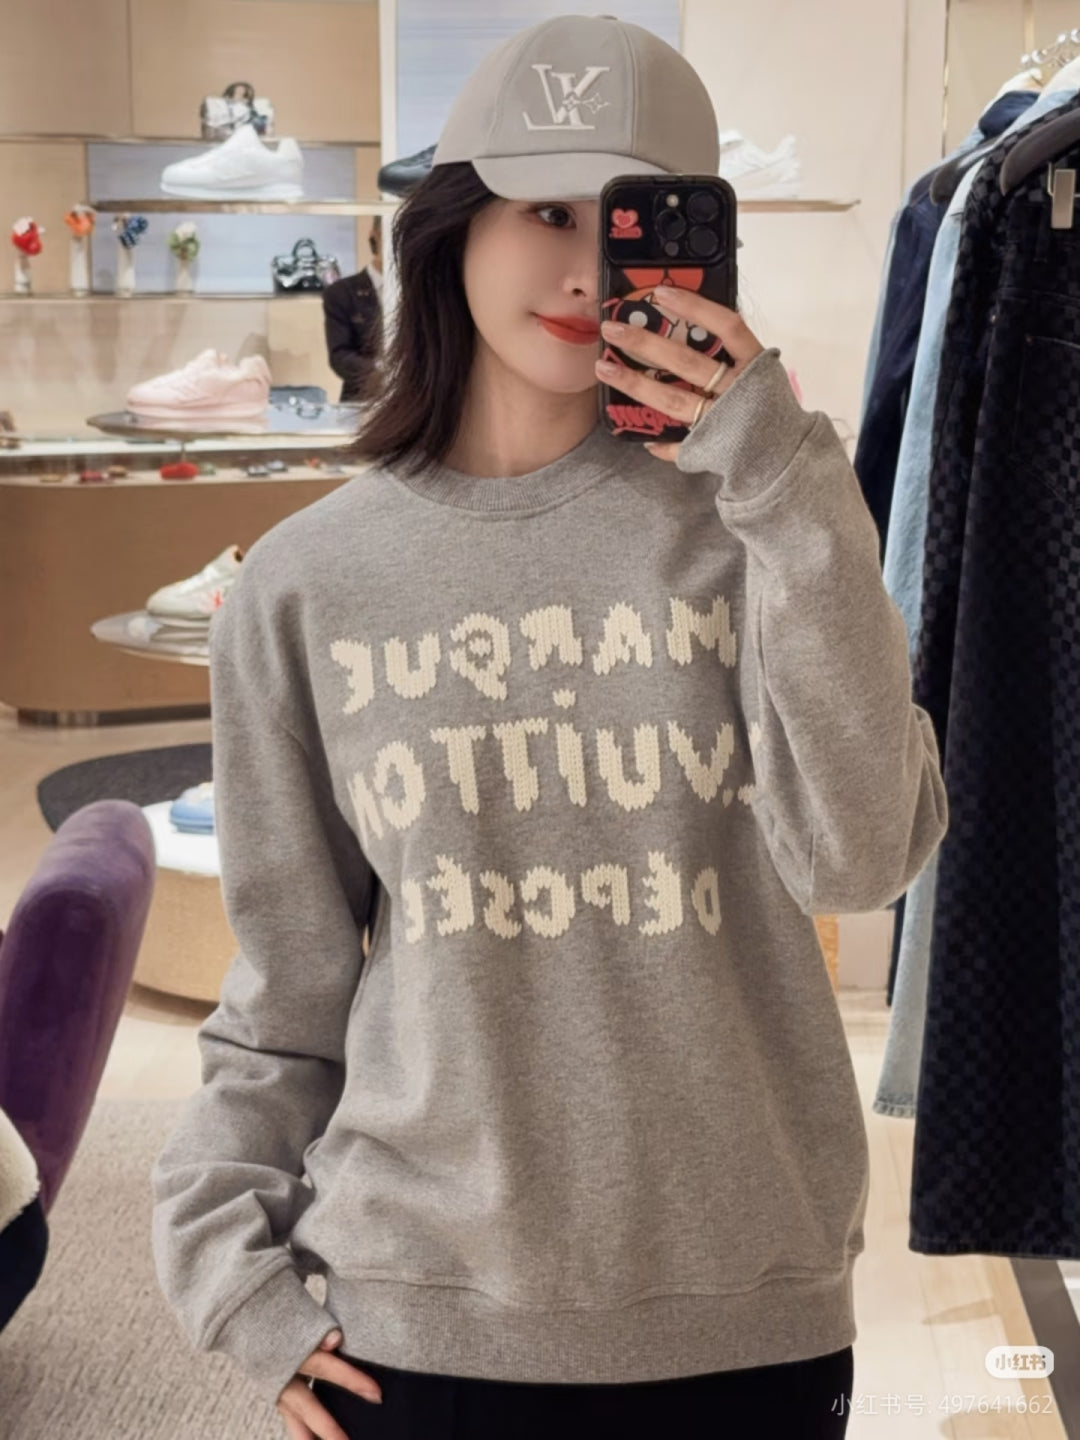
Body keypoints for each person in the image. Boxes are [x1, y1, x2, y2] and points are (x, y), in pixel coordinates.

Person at [150, 15, 949, 1440]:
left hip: (741, 1315)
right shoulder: (306, 583)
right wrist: (230, 1276)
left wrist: (786, 477)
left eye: (634, 222)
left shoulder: (764, 525)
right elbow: (287, 992)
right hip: (415, 1318)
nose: (588, 271)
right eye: (546, 213)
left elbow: (860, 860)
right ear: (452, 225)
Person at [321, 215, 383, 403]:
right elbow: (340, 356)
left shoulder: (423, 290)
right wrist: (384, 373)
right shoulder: (341, 293)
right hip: (362, 400)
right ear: (375, 237)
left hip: (419, 404)